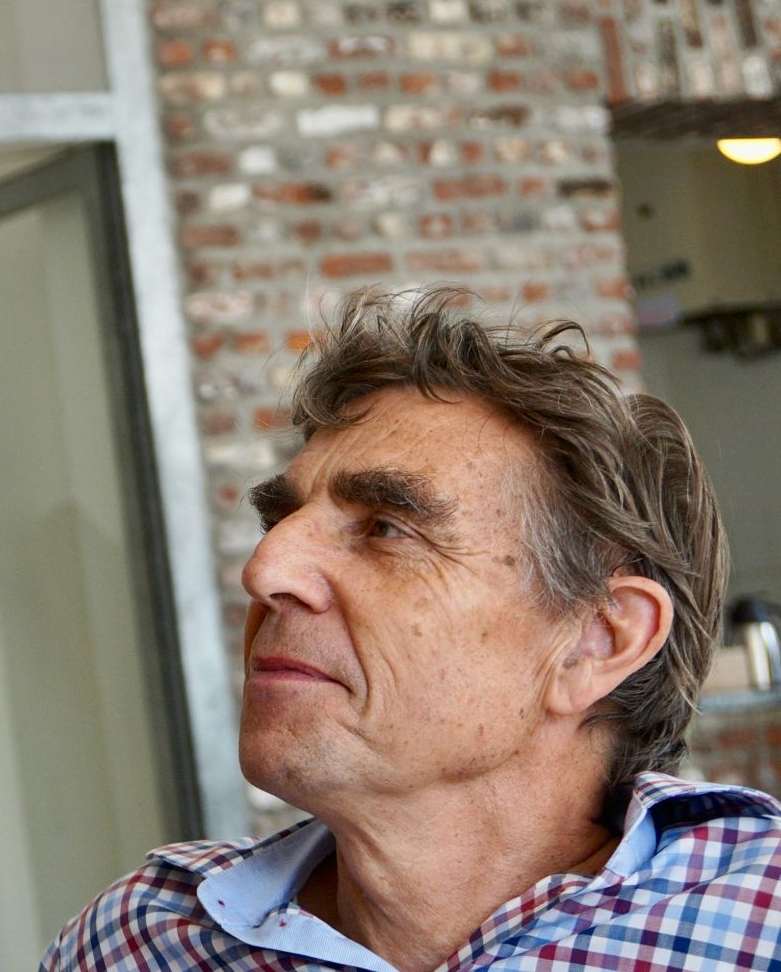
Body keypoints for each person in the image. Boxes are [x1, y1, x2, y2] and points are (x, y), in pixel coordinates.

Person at [45, 289, 781, 971]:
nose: (267, 567)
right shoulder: (135, 943)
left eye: (386, 528)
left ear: (599, 640)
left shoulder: (760, 923)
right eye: (281, 521)